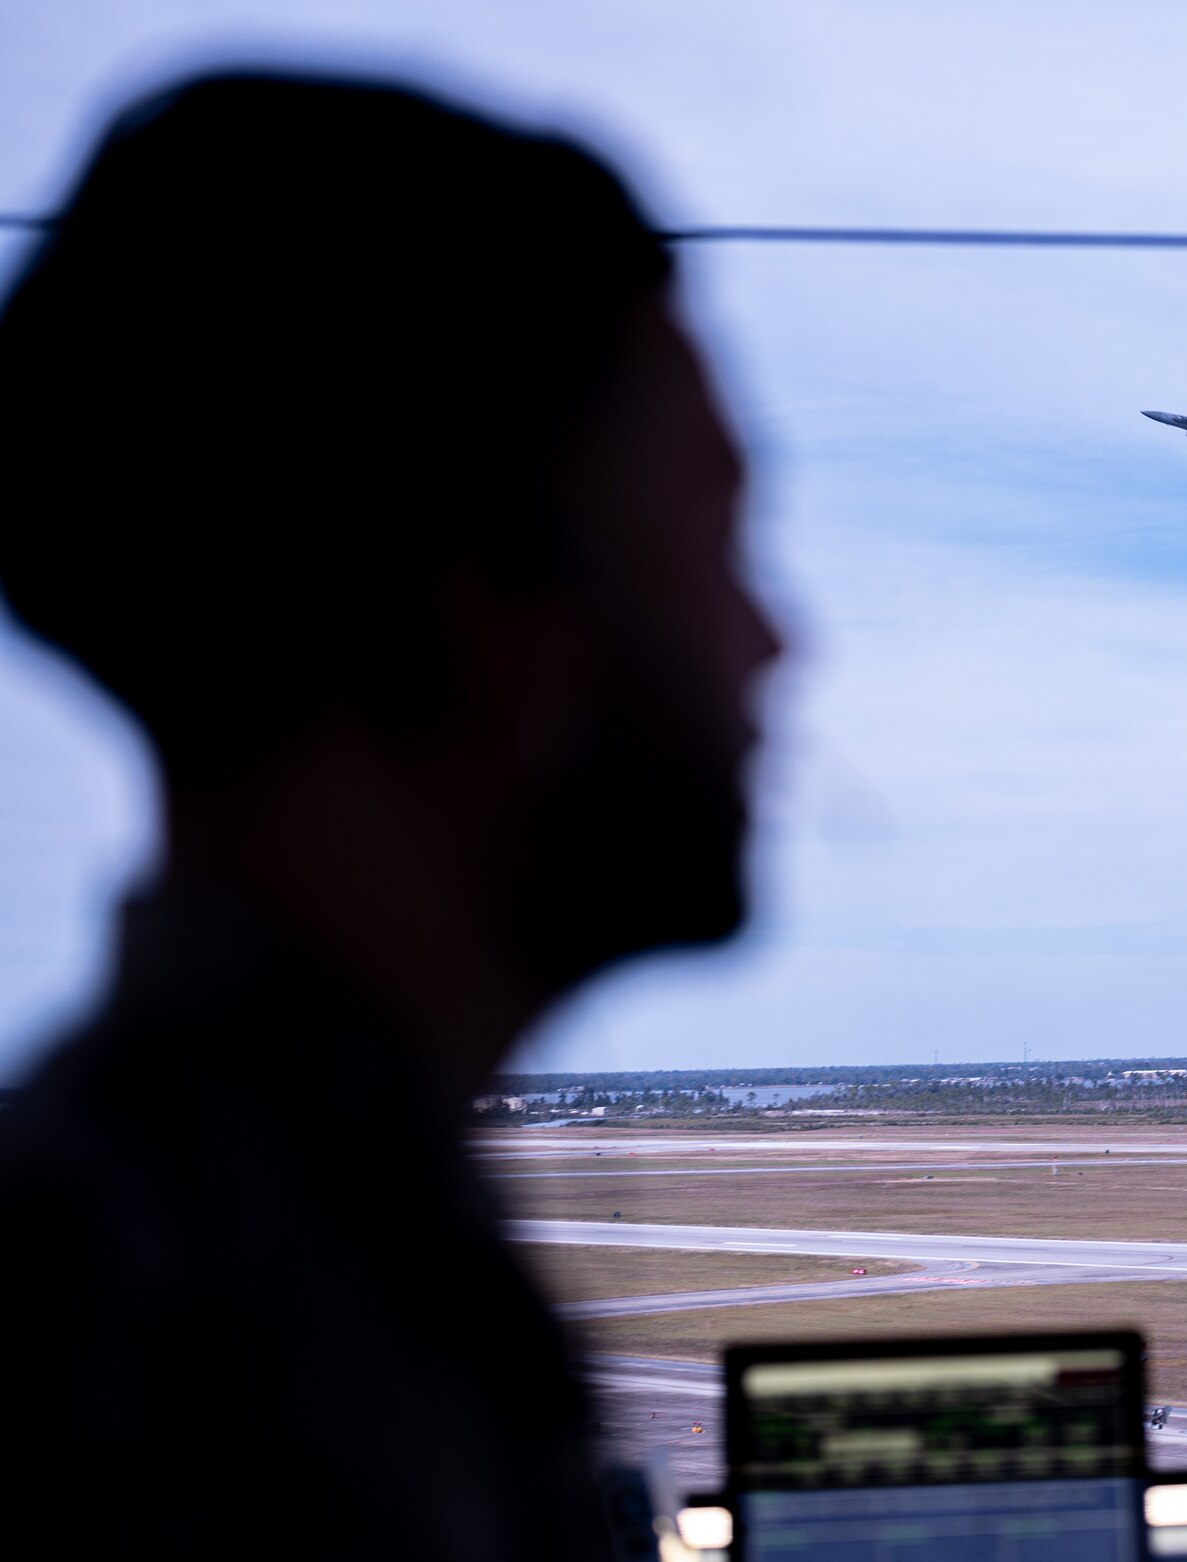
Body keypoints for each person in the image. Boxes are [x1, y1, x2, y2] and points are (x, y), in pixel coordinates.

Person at [0, 71, 780, 1558]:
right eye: (711, 535)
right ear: (495, 612)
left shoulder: (284, 1241)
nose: (769, 642)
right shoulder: (200, 1349)